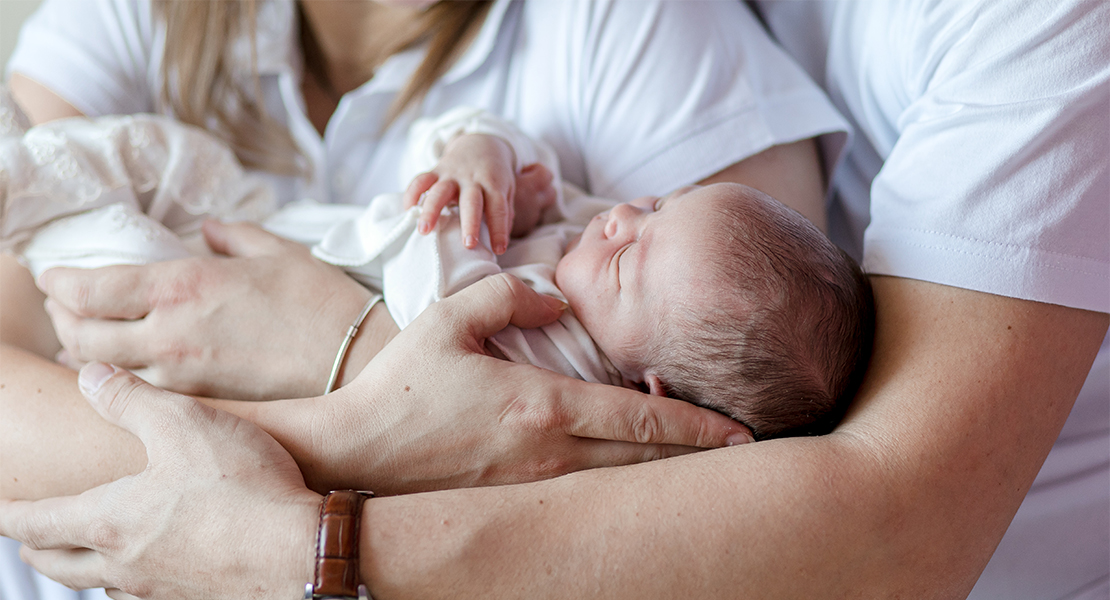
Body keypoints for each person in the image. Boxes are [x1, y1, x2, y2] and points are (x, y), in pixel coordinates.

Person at [6, 1, 1105, 600]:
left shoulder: (639, 39)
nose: (619, 221)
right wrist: (342, 431)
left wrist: (305, 496)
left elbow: (859, 520)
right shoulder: (133, 20)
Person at [2, 100, 871, 441]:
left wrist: (464, 223)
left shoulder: (555, 369)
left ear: (654, 391)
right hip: (272, 224)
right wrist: (487, 157)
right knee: (160, 152)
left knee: (101, 230)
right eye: (657, 204)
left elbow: (427, 327)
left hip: (190, 312)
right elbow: (538, 181)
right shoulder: (589, 261)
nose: (617, 217)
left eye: (633, 251)